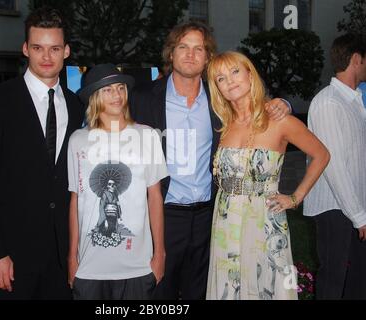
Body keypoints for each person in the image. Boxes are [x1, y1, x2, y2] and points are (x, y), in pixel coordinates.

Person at [129, 21, 292, 300]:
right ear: (171, 53)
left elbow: (254, 104)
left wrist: (283, 103)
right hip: (163, 214)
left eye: (199, 49)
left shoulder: (221, 99)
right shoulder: (142, 98)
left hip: (212, 215)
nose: (191, 54)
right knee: (157, 292)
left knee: (205, 290)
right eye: (183, 47)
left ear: (207, 58)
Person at [0, 7, 84, 299]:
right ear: (25, 49)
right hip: (10, 256)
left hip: (61, 256)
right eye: (38, 48)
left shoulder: (77, 105)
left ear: (66, 51)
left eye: (55, 48)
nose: (46, 57)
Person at [206, 51, 330, 300]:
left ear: (250, 74)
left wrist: (295, 197)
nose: (229, 80)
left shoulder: (279, 119)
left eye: (235, 71)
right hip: (225, 221)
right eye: (220, 78)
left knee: (267, 287)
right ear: (217, 88)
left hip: (264, 220)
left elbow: (321, 154)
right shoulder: (222, 124)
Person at [67, 63, 168, 300]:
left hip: (138, 265)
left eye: (121, 88)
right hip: (89, 267)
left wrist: (159, 254)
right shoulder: (78, 140)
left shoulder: (148, 136)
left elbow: (155, 197)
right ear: (95, 96)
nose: (117, 95)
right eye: (108, 89)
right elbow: (76, 200)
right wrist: (72, 257)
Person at [304, 34, 366, 300]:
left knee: (357, 280)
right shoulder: (328, 103)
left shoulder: (353, 101)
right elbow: (334, 165)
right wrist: (359, 216)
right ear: (356, 59)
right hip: (334, 209)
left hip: (354, 207)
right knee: (333, 281)